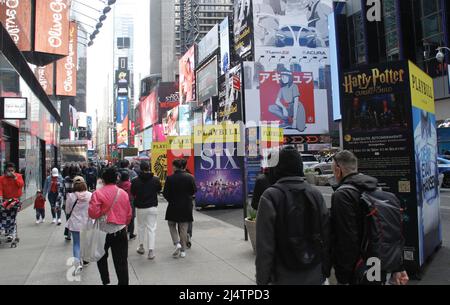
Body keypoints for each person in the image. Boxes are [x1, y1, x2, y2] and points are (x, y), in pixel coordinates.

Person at [330, 150, 409, 285]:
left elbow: (346, 240)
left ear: (338, 169)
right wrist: (398, 266)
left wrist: (343, 277)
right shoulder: (377, 191)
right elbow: (393, 232)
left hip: (361, 269)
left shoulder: (343, 195)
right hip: (383, 263)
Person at [255, 146, 330, 285]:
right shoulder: (315, 194)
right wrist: (325, 270)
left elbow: (264, 246)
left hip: (283, 276)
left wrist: (262, 280)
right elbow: (327, 236)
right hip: (314, 273)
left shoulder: (270, 196)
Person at [89, 167, 132, 286]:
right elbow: (128, 214)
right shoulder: (123, 193)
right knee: (121, 261)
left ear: (103, 180)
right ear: (116, 179)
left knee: (101, 257)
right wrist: (125, 224)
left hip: (102, 231)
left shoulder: (97, 193)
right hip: (120, 230)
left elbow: (93, 213)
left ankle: (106, 281)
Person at [163, 159, 197, 258]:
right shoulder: (190, 177)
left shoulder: (170, 178)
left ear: (175, 166)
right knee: (183, 228)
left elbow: (165, 193)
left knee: (171, 224)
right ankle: (183, 250)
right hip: (186, 205)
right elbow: (194, 190)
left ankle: (176, 243)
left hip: (173, 205)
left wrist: (171, 200)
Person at [131, 161, 162, 260]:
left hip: (140, 207)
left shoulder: (135, 180)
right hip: (152, 206)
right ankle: (151, 251)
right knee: (151, 228)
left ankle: (141, 246)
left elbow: (133, 192)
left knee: (141, 227)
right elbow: (159, 189)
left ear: (140, 168)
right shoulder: (155, 179)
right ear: (149, 168)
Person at [65, 176, 92, 275]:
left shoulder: (71, 196)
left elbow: (67, 210)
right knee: (85, 242)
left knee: (76, 243)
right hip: (87, 222)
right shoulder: (90, 195)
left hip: (75, 223)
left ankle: (77, 264)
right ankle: (85, 259)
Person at [268, 67, 306, 132]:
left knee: (300, 128)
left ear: (289, 78)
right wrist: (283, 108)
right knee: (271, 107)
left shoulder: (294, 86)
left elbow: (296, 102)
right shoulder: (282, 89)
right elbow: (277, 101)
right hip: (289, 107)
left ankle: (296, 121)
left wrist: (294, 120)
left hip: (298, 107)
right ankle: (286, 122)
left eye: (285, 77)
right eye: (282, 77)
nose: (283, 79)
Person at [117, 170, 136, 240]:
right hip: (130, 202)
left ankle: (122, 232)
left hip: (120, 203)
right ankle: (131, 233)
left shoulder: (118, 185)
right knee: (131, 218)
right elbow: (134, 194)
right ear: (128, 177)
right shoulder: (131, 185)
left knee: (122, 217)